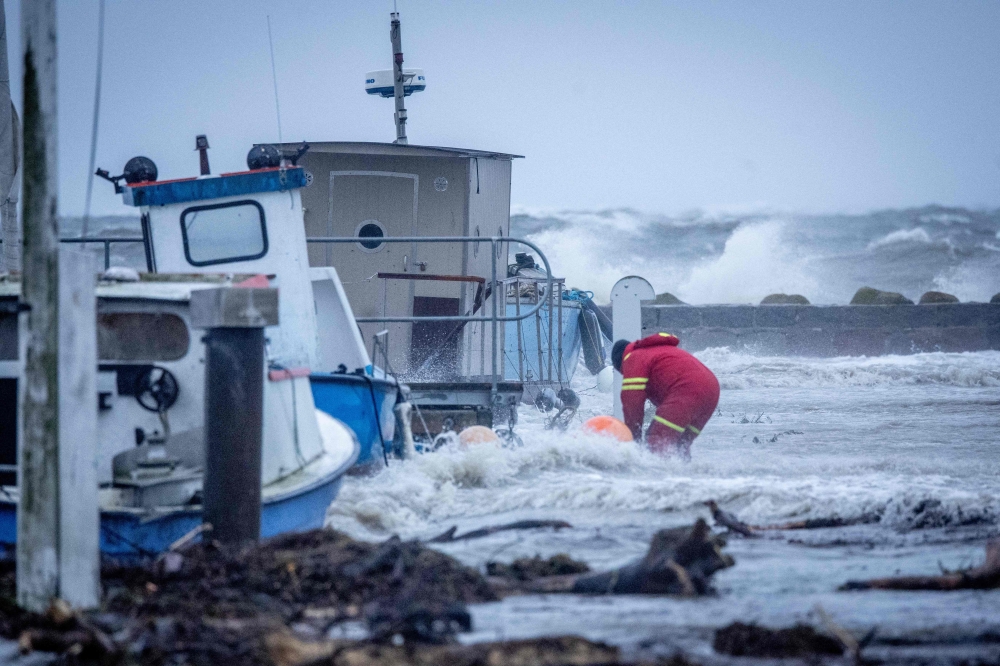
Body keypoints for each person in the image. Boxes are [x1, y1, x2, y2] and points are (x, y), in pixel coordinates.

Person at [611, 333, 720, 457]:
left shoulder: (633, 358)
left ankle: (652, 474)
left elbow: (632, 402)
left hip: (687, 389)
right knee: (679, 445)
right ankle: (686, 474)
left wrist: (632, 440)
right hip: (712, 389)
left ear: (620, 362)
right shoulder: (655, 352)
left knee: (656, 440)